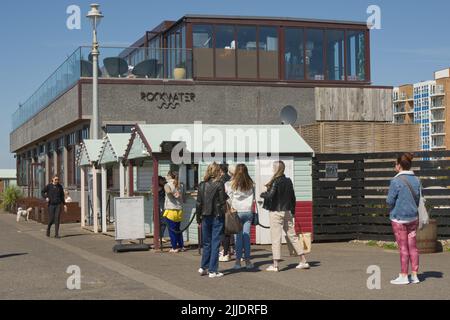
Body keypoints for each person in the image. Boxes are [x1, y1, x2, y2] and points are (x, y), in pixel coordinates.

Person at [261, 161, 310, 272]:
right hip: (287, 211)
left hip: (276, 212)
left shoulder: (275, 181)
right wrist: (293, 211)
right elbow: (293, 197)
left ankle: (275, 265)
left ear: (277, 169)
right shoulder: (288, 181)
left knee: (276, 238)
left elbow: (270, 196)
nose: (272, 168)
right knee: (292, 236)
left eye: (274, 167)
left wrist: (262, 194)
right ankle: (303, 260)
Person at [386, 153, 421, 285]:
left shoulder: (395, 181)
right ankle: (415, 275)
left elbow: (389, 200)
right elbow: (418, 199)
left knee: (403, 248)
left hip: (399, 219)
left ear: (399, 166)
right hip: (413, 218)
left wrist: (391, 206)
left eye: (396, 164)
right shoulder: (417, 180)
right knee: (413, 247)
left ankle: (403, 275)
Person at [196, 163, 228, 278]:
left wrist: (198, 218)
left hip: (204, 216)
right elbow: (223, 202)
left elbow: (198, 203)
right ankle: (213, 270)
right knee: (215, 243)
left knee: (206, 243)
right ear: (217, 171)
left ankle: (204, 267)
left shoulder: (201, 185)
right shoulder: (219, 184)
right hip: (217, 216)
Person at [225, 164, 255, 270]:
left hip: (236, 212)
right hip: (247, 211)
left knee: (238, 238)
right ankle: (247, 261)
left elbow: (228, 198)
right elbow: (253, 197)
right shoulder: (251, 183)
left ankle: (237, 262)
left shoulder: (230, 184)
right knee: (246, 237)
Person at [163, 171, 185, 253]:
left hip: (171, 210)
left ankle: (174, 247)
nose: (166, 176)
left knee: (172, 230)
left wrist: (173, 194)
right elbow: (184, 197)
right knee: (178, 229)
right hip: (179, 209)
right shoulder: (180, 184)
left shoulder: (167, 184)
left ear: (169, 176)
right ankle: (181, 246)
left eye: (167, 175)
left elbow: (168, 191)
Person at [219, 163, 234, 262]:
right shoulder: (230, 178)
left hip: (226, 207)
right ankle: (232, 249)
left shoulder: (223, 180)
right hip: (235, 207)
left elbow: (223, 195)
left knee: (225, 231)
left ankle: (226, 250)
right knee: (234, 229)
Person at [158, 176, 168, 243]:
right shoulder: (159, 187)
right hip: (161, 206)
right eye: (161, 180)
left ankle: (160, 236)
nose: (163, 181)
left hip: (161, 205)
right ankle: (160, 237)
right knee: (163, 222)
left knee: (163, 222)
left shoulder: (163, 186)